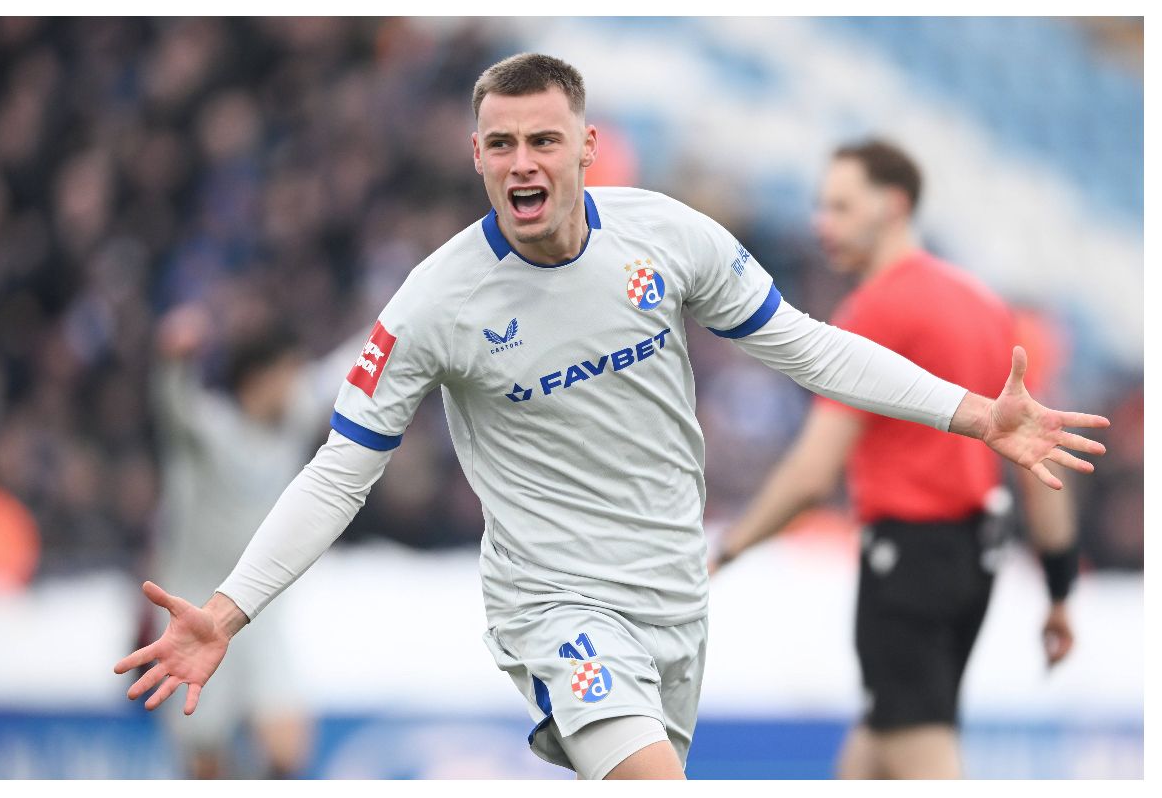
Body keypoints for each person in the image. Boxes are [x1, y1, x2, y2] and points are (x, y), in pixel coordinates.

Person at [114, 54, 1107, 781]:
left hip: (672, 594)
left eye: (543, 139)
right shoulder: (433, 304)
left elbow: (808, 347)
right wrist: (229, 609)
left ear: (586, 147)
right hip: (557, 608)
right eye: (501, 143)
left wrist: (973, 412)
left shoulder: (666, 237)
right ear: (475, 157)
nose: (523, 161)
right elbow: (340, 469)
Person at [709, 140, 1083, 779]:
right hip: (973, 560)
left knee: (921, 754)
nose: (822, 224)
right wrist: (1060, 586)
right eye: (821, 207)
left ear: (893, 205)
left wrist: (729, 548)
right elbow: (1041, 455)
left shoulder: (874, 310)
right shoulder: (984, 303)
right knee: (875, 753)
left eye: (841, 206)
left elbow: (812, 474)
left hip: (910, 563)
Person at [149, 301, 368, 778]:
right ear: (258, 379)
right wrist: (174, 359)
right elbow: (173, 405)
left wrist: (406, 312)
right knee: (205, 761)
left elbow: (347, 367)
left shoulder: (292, 417)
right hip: (197, 606)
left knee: (288, 748)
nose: (296, 385)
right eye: (287, 374)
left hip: (259, 609)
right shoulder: (208, 430)